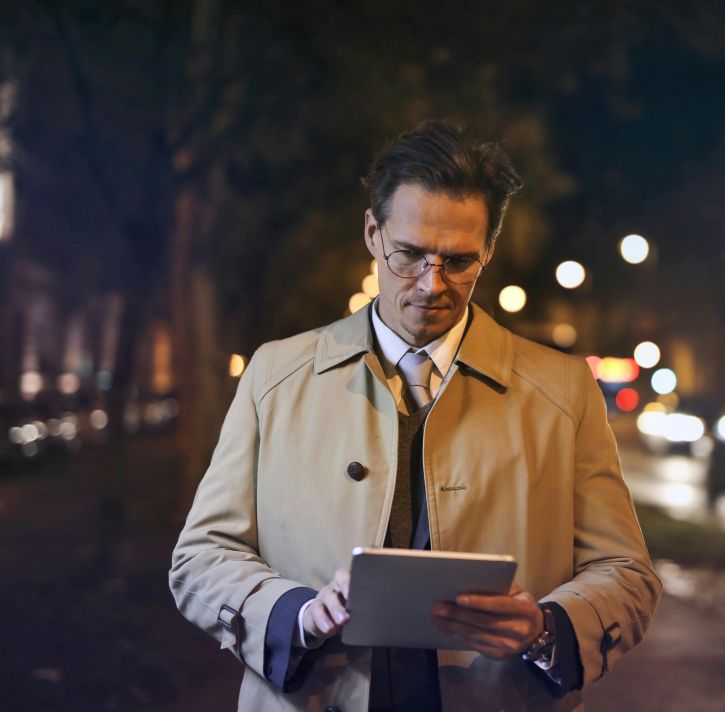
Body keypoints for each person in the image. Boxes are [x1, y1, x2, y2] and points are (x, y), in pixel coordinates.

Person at [169, 120, 661, 712]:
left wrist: (546, 628)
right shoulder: (275, 376)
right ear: (373, 234)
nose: (432, 284)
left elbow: (627, 573)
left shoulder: (564, 390)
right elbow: (202, 554)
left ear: (488, 251)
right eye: (410, 255)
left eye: (458, 261)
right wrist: (295, 613)